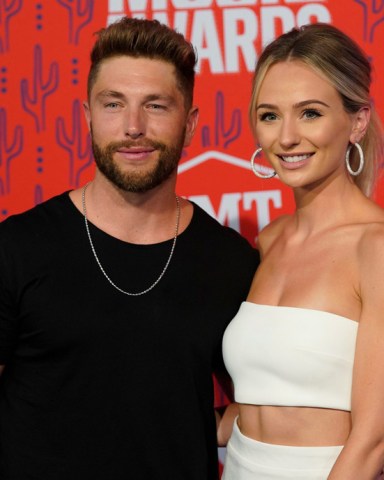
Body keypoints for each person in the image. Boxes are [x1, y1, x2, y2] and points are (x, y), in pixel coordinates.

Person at [0, 17, 259, 480]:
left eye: (156, 105)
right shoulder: (17, 247)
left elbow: (265, 402)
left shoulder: (231, 261)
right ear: (87, 117)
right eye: (113, 104)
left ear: (192, 123)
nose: (133, 127)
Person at [221, 23, 384, 479]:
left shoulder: (376, 248)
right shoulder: (269, 241)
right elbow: (261, 397)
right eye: (269, 115)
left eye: (309, 113)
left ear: (357, 120)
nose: (286, 138)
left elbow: (373, 441)